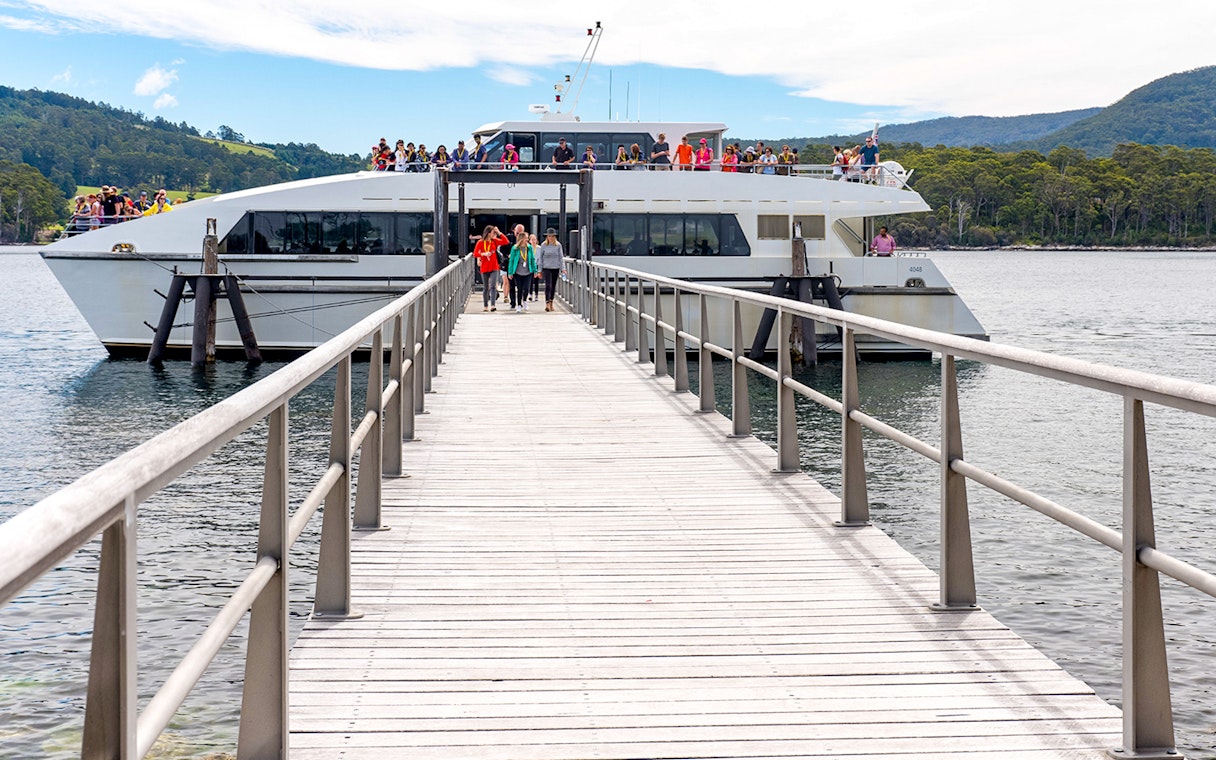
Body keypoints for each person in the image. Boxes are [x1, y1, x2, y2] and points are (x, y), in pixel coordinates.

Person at [474, 225, 509, 311]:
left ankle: (493, 305)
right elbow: (475, 253)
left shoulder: (494, 241)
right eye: (493, 232)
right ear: (488, 233)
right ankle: (485, 305)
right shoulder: (480, 242)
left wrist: (499, 233)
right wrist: (483, 254)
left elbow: (506, 241)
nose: (494, 234)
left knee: (493, 286)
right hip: (485, 267)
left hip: (494, 266)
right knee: (486, 287)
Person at [507, 231, 538, 312]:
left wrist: (535, 270)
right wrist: (510, 272)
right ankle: (519, 305)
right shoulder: (515, 248)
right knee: (519, 289)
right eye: (526, 238)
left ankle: (524, 300)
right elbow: (511, 260)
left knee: (526, 288)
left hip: (528, 271)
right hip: (518, 272)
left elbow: (532, 259)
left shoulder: (529, 248)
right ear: (521, 239)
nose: (527, 239)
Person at [536, 227, 564, 312]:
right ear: (547, 237)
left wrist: (563, 268)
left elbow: (561, 257)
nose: (551, 238)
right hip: (546, 267)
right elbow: (540, 258)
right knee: (548, 284)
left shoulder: (558, 245)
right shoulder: (543, 245)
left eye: (552, 236)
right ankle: (547, 302)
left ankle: (551, 301)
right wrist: (539, 270)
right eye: (549, 236)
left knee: (553, 285)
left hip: (555, 267)